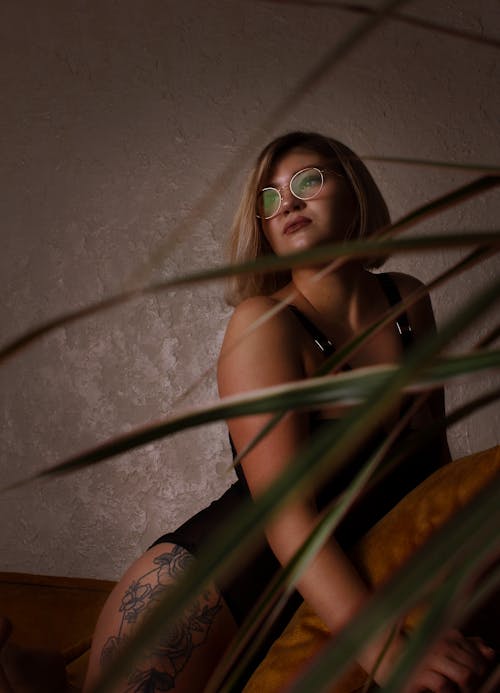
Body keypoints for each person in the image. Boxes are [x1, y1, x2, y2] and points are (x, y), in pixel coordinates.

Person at [77, 131, 494, 692]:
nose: (288, 204)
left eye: (307, 181)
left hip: (341, 585)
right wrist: (389, 653)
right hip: (215, 594)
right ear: (264, 230)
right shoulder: (264, 325)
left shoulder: (409, 303)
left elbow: (431, 463)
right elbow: (287, 519)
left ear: (355, 190)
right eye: (269, 200)